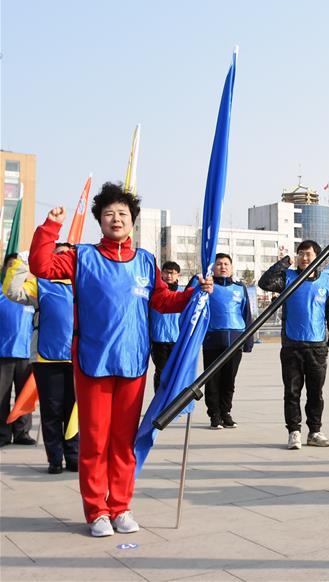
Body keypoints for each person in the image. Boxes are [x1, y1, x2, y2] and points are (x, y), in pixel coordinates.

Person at [28, 182, 212, 538]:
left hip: (132, 364)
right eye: (109, 213)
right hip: (93, 361)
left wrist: (193, 294)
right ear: (100, 219)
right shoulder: (82, 256)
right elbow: (41, 265)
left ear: (133, 221)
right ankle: (97, 511)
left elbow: (162, 301)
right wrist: (50, 228)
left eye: (123, 214)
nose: (116, 219)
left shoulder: (145, 261)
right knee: (95, 441)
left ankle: (121, 507)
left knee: (124, 441)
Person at [3, 246, 79, 473]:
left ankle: (74, 456)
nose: (61, 258)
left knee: (74, 410)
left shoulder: (81, 285)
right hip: (47, 358)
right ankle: (55, 459)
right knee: (51, 410)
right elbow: (12, 292)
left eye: (66, 255)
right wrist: (20, 264)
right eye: (57, 254)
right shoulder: (40, 283)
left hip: (76, 359)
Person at [259, 240, 329, 449]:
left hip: (317, 346)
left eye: (309, 254)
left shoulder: (327, 281)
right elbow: (264, 283)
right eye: (301, 254)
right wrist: (284, 262)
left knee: (316, 392)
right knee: (292, 392)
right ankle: (294, 431)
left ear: (318, 257)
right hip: (292, 345)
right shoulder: (288, 278)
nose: (304, 258)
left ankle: (315, 431)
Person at [203, 253, 253, 430]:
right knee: (212, 380)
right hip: (212, 340)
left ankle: (226, 412)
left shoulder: (240, 288)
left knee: (229, 380)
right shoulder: (207, 288)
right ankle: (214, 415)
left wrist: (248, 341)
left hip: (235, 340)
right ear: (213, 268)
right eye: (219, 264)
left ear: (231, 268)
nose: (222, 267)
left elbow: (246, 315)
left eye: (226, 264)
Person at [0, 253, 36, 447]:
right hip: (3, 353)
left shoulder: (29, 294)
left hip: (26, 354)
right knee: (1, 396)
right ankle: (2, 434)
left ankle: (22, 432)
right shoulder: (2, 293)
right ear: (5, 269)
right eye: (10, 265)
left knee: (25, 396)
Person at [149, 261, 182, 392]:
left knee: (175, 374)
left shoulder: (181, 293)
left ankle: (172, 404)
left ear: (178, 275)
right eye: (167, 272)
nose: (169, 276)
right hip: (158, 340)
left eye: (173, 273)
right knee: (161, 373)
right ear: (161, 273)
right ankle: (160, 406)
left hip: (176, 339)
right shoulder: (154, 292)